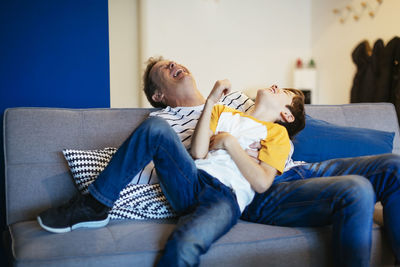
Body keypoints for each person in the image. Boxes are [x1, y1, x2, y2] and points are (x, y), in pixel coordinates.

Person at [39, 56, 400, 267]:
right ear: (158, 96)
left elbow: (275, 146)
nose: (175, 64)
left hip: (265, 179)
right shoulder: (170, 120)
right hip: (216, 182)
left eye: (177, 62)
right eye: (165, 69)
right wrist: (212, 105)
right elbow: (191, 155)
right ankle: (94, 204)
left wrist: (232, 137)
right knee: (357, 188)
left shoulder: (251, 112)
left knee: (387, 170)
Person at [37, 75, 306, 266]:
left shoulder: (277, 136)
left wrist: (230, 143)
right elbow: (199, 152)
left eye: (284, 92)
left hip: (226, 197)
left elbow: (261, 183)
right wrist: (211, 99)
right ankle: (95, 204)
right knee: (155, 129)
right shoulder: (223, 111)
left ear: (287, 115)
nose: (274, 86)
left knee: (185, 244)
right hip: (191, 178)